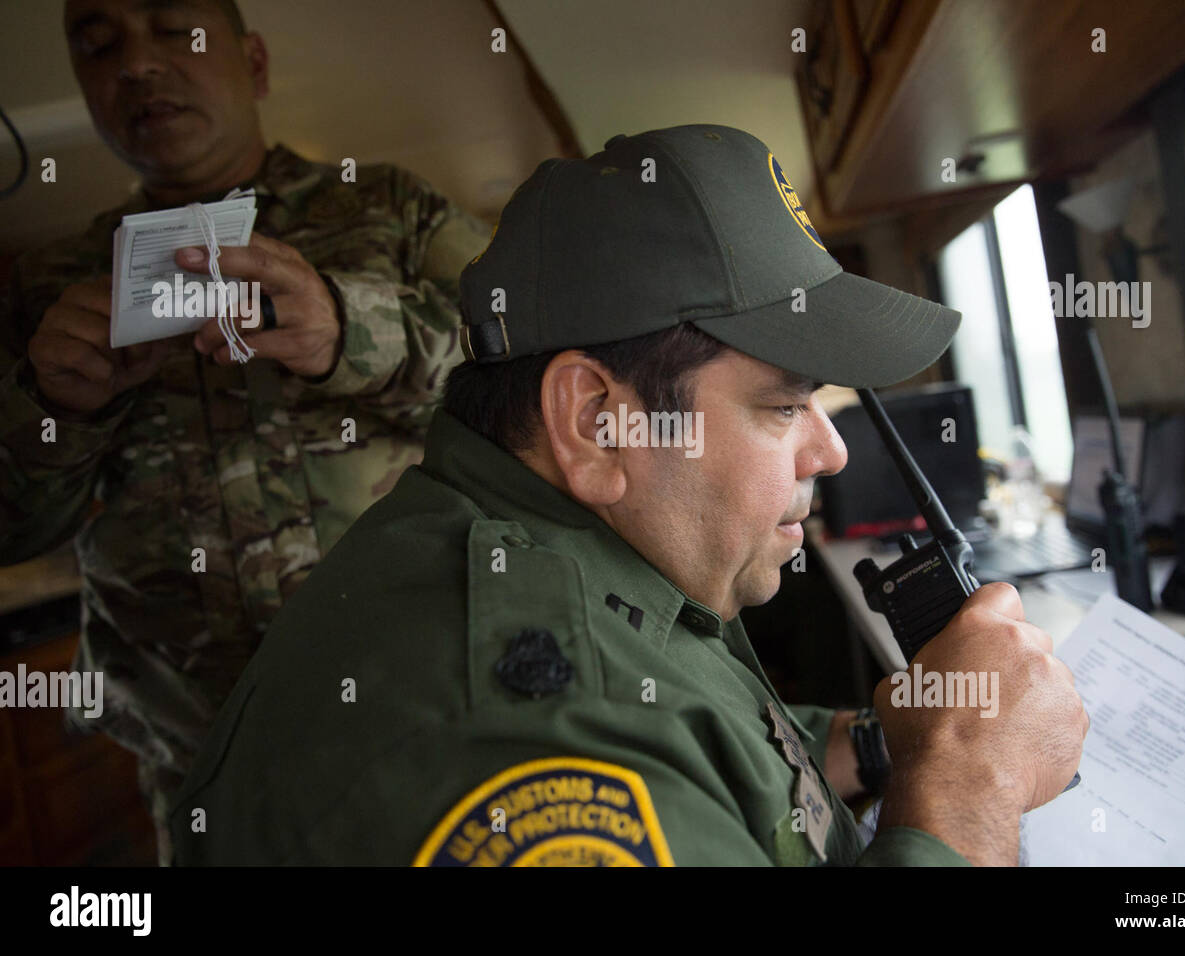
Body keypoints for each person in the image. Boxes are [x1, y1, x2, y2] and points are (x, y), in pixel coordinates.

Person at [168, 124, 1088, 866]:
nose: (832, 452)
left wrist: (899, 742)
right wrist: (971, 787)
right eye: (784, 406)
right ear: (598, 422)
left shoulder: (571, 545)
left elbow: (705, 735)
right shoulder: (529, 738)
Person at [0, 0, 490, 863]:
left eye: (174, 30)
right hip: (205, 766)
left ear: (255, 63)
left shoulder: (391, 209)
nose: (137, 66)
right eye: (98, 45)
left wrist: (350, 331)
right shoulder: (45, 288)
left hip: (434, 726)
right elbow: (12, 527)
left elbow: (539, 380)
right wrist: (55, 409)